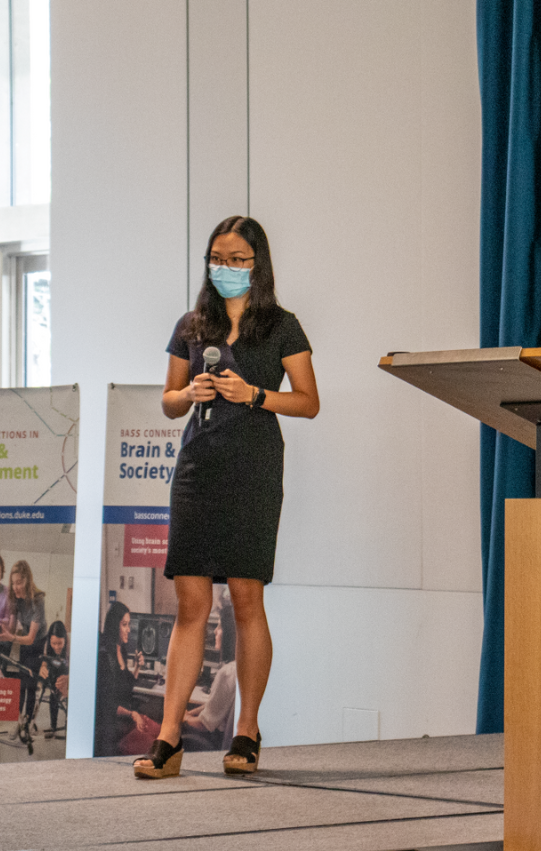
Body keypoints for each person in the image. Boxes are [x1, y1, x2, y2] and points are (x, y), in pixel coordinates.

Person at [136, 215, 319, 779]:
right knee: (191, 605)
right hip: (198, 468)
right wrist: (188, 392)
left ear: (257, 263)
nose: (226, 267)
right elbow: (168, 402)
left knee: (245, 600)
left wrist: (257, 394)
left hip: (254, 469)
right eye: (218, 257)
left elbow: (309, 401)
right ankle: (170, 738)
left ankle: (247, 729)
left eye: (238, 258)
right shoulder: (192, 325)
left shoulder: (282, 326)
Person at [95, 601, 152, 757]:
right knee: (153, 744)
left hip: (125, 717)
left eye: (129, 624)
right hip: (112, 725)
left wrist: (137, 667)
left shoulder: (122, 652)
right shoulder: (104, 657)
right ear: (114, 626)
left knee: (158, 731)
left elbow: (126, 688)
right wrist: (132, 714)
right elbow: (107, 704)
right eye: (124, 625)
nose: (129, 629)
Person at [0, 560, 46, 737]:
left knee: (31, 684)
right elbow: (10, 627)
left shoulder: (38, 600)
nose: (16, 587)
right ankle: (18, 721)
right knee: (20, 684)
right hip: (23, 639)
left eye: (19, 582)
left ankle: (28, 722)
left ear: (27, 581)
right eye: (13, 583)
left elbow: (32, 637)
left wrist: (12, 637)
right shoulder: (16, 599)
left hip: (37, 642)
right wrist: (0, 629)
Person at [181, 602, 238, 751]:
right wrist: (188, 712)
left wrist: (185, 719)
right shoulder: (239, 668)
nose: (215, 631)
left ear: (229, 634)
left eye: (220, 627)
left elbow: (204, 724)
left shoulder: (227, 673)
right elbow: (214, 705)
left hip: (214, 740)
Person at [37, 620, 70, 736]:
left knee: (67, 692)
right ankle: (53, 726)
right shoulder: (47, 644)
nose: (56, 647)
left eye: (59, 643)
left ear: (65, 640)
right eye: (53, 643)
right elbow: (44, 662)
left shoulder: (71, 645)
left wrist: (68, 678)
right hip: (55, 665)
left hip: (68, 668)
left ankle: (70, 722)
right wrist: (43, 668)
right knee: (53, 693)